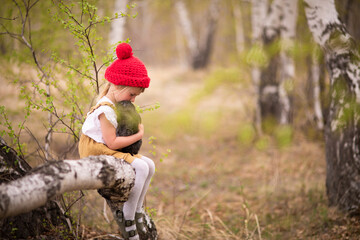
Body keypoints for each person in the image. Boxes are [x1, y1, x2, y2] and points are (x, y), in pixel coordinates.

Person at [78, 43, 155, 240]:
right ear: (118, 86)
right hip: (95, 150)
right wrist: (138, 135)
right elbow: (111, 144)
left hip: (104, 147)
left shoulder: (115, 104)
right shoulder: (106, 110)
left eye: (136, 96)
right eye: (132, 94)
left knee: (150, 164)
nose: (134, 100)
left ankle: (137, 209)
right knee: (141, 167)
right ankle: (129, 217)